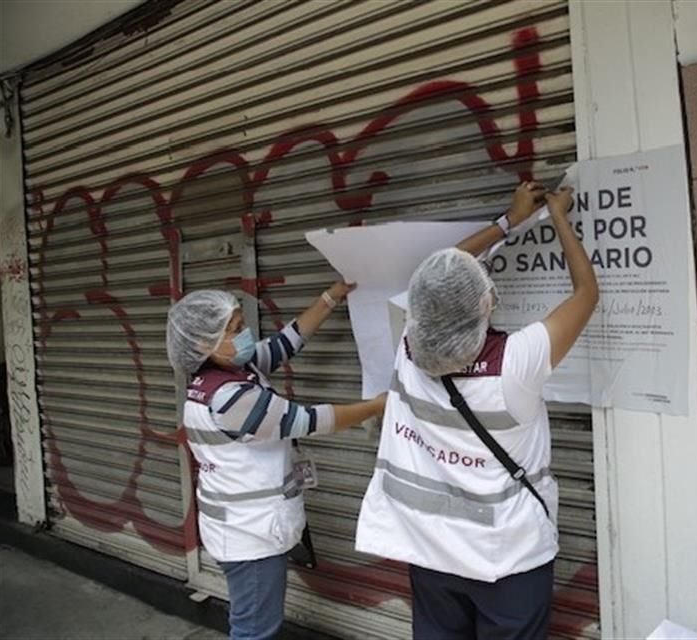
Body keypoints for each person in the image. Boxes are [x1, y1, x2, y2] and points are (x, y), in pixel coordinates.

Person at [355, 182, 599, 639]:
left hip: (432, 551)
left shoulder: (408, 346)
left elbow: (435, 276)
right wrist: (559, 215)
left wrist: (510, 221)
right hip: (506, 559)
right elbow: (585, 294)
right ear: (486, 304)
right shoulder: (514, 363)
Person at [166, 284, 385, 640]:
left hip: (244, 528)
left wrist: (330, 298)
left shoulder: (226, 371)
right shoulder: (229, 397)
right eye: (236, 329)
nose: (246, 334)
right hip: (248, 534)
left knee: (255, 624)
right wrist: (377, 406)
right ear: (205, 344)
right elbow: (308, 420)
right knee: (255, 631)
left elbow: (286, 343)